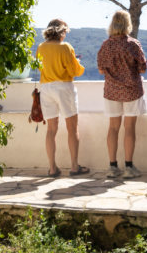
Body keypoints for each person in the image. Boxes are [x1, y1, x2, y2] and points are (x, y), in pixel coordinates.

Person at [97, 10, 147, 179]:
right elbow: (142, 67)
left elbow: (101, 69)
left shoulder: (105, 46)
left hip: (111, 91)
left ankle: (112, 167)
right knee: (129, 128)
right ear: (128, 24)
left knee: (113, 127)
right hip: (132, 90)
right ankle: (129, 167)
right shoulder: (133, 44)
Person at [36, 18, 88, 177]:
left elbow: (40, 67)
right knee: (72, 128)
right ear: (61, 31)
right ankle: (74, 167)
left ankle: (52, 168)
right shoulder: (66, 47)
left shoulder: (41, 47)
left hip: (46, 88)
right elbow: (75, 71)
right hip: (64, 88)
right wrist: (78, 63)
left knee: (51, 130)